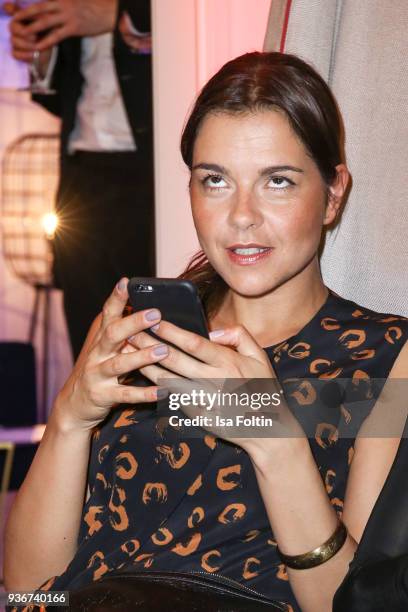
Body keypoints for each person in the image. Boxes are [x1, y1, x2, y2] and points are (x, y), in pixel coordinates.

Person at [4, 52, 408, 612]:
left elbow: (356, 605)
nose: (242, 216)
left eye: (278, 182)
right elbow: (27, 591)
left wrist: (276, 443)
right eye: (215, 180)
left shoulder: (384, 358)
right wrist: (71, 416)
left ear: (333, 192)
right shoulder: (137, 332)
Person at [7, 0, 155, 360]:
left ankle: (160, 416)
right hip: (81, 170)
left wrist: (119, 15)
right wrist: (41, 52)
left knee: (156, 319)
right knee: (88, 328)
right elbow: (64, 95)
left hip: (150, 167)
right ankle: (92, 416)